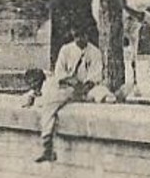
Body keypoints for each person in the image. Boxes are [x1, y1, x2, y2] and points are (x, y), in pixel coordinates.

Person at [36, 25, 103, 163]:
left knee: (103, 96)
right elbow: (59, 73)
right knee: (50, 101)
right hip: (68, 87)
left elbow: (95, 77)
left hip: (85, 89)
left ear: (87, 35)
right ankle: (47, 143)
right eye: (76, 35)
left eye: (82, 35)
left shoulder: (95, 52)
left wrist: (82, 87)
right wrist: (70, 82)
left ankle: (47, 143)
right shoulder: (66, 50)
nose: (79, 39)